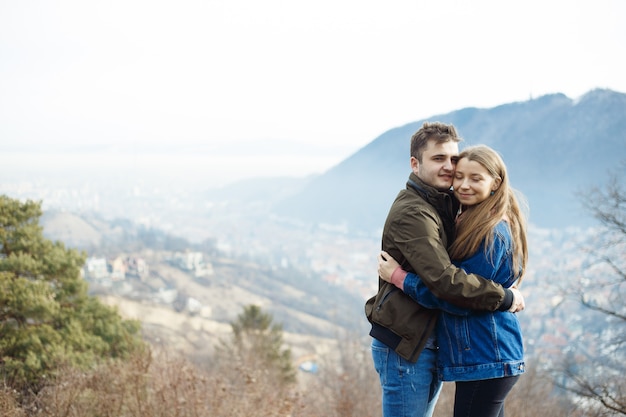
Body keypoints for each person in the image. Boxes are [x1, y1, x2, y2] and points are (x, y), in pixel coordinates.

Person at [364, 122, 524, 417]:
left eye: (453, 159)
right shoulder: (416, 211)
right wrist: (505, 297)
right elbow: (446, 283)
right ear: (415, 164)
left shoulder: (447, 204)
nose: (449, 168)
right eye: (438, 159)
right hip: (407, 343)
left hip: (428, 341)